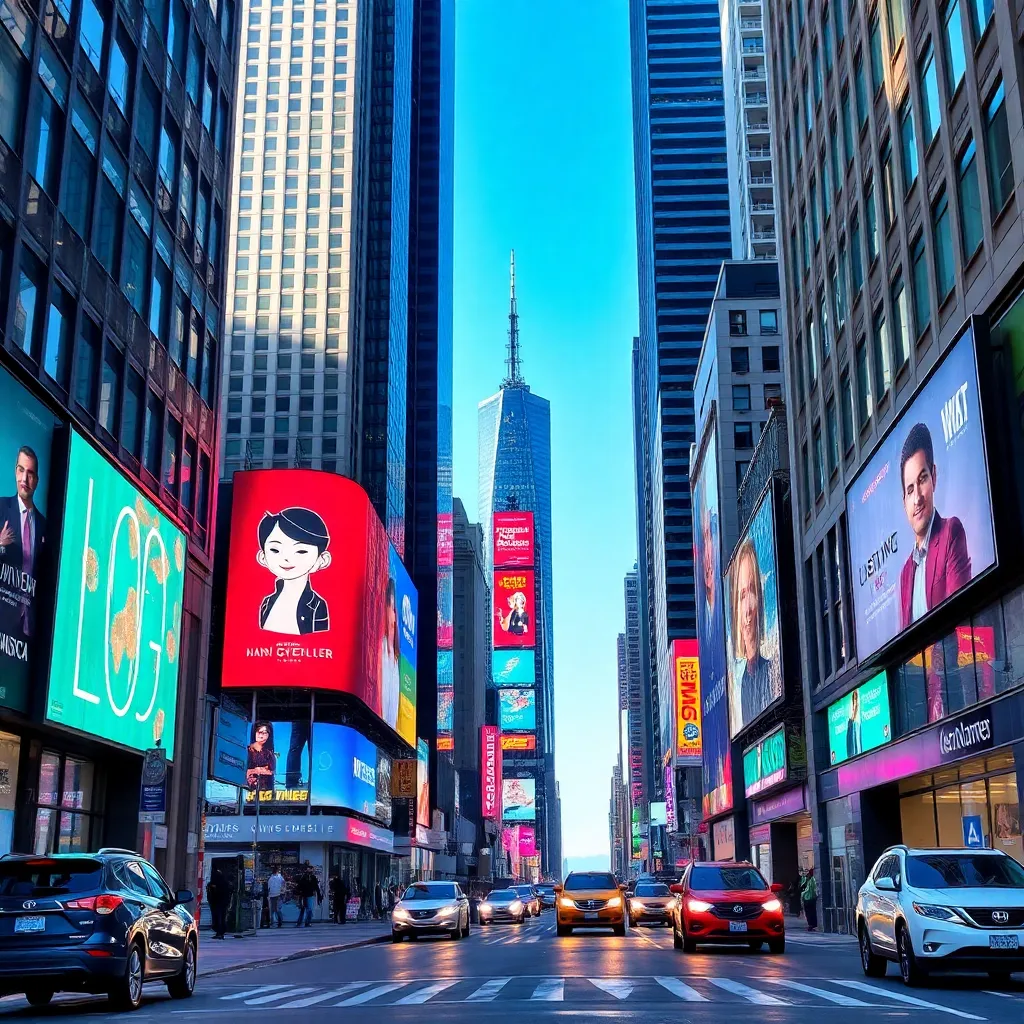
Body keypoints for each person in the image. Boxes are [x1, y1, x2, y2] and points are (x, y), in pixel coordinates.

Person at [898, 423, 972, 630]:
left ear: (934, 477)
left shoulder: (951, 532)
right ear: (904, 502)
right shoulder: (905, 574)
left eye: (922, 479)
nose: (917, 499)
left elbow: (961, 616)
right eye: (910, 490)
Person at [256, 507, 332, 635]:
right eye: (275, 550)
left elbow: (321, 639)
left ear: (322, 560)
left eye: (301, 551)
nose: (286, 558)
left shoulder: (317, 605)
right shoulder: (267, 603)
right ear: (262, 557)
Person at [0, 446, 47, 637]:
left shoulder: (44, 526)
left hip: (30, 628)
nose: (24, 479)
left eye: (30, 473)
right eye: (21, 470)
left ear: (37, 480)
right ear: (15, 471)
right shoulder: (1, 508)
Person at [730, 539, 773, 728]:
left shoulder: (772, 671)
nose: (747, 608)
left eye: (752, 591)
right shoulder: (742, 682)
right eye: (742, 596)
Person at [380, 577, 401, 730]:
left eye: (394, 609)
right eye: (390, 606)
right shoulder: (379, 650)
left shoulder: (395, 659)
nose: (392, 616)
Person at [246, 721, 276, 792]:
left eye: (264, 733)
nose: (261, 736)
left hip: (266, 791)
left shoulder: (269, 754)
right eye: (259, 732)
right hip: (248, 790)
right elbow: (244, 770)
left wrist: (257, 770)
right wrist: (259, 770)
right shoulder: (247, 751)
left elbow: (271, 772)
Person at [295, 863, 322, 927]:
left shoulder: (312, 877)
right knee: (305, 909)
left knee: (307, 909)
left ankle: (304, 922)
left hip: (307, 894)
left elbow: (316, 887)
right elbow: (299, 885)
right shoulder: (304, 877)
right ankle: (303, 922)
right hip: (305, 895)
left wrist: (319, 895)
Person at [206, 868, 231, 939]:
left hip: (217, 903)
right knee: (222, 917)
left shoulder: (215, 883)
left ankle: (219, 932)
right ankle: (220, 932)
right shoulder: (225, 883)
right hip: (222, 903)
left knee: (218, 918)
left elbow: (211, 893)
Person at [846, 688, 862, 759]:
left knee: (856, 741)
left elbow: (856, 706)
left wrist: (852, 718)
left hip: (855, 722)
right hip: (853, 722)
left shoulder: (856, 695)